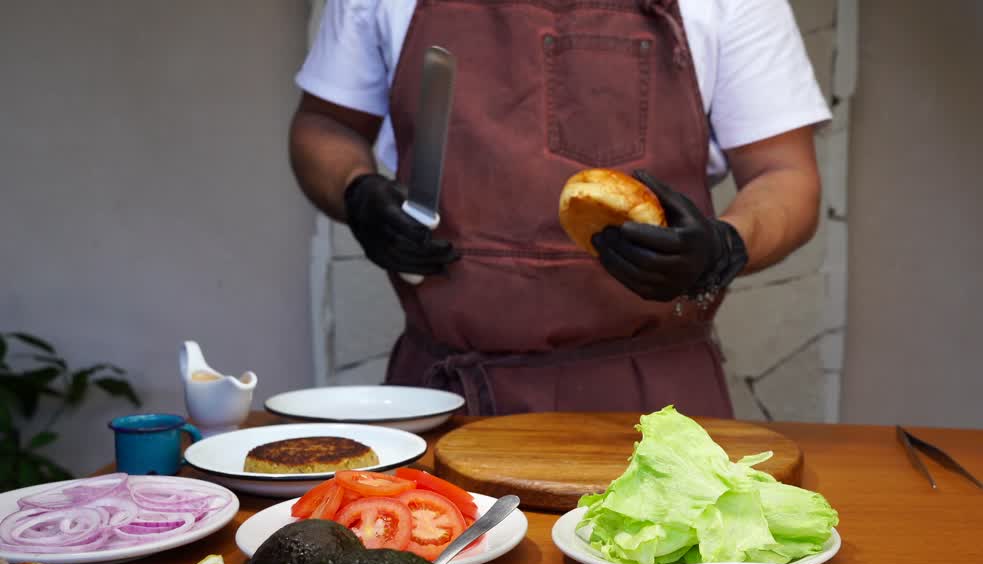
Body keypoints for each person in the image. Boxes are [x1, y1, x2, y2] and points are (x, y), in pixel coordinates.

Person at [289, 0, 830, 417]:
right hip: (443, 400)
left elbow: (785, 175)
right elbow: (325, 126)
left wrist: (723, 248)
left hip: (654, 406)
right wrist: (355, 189)